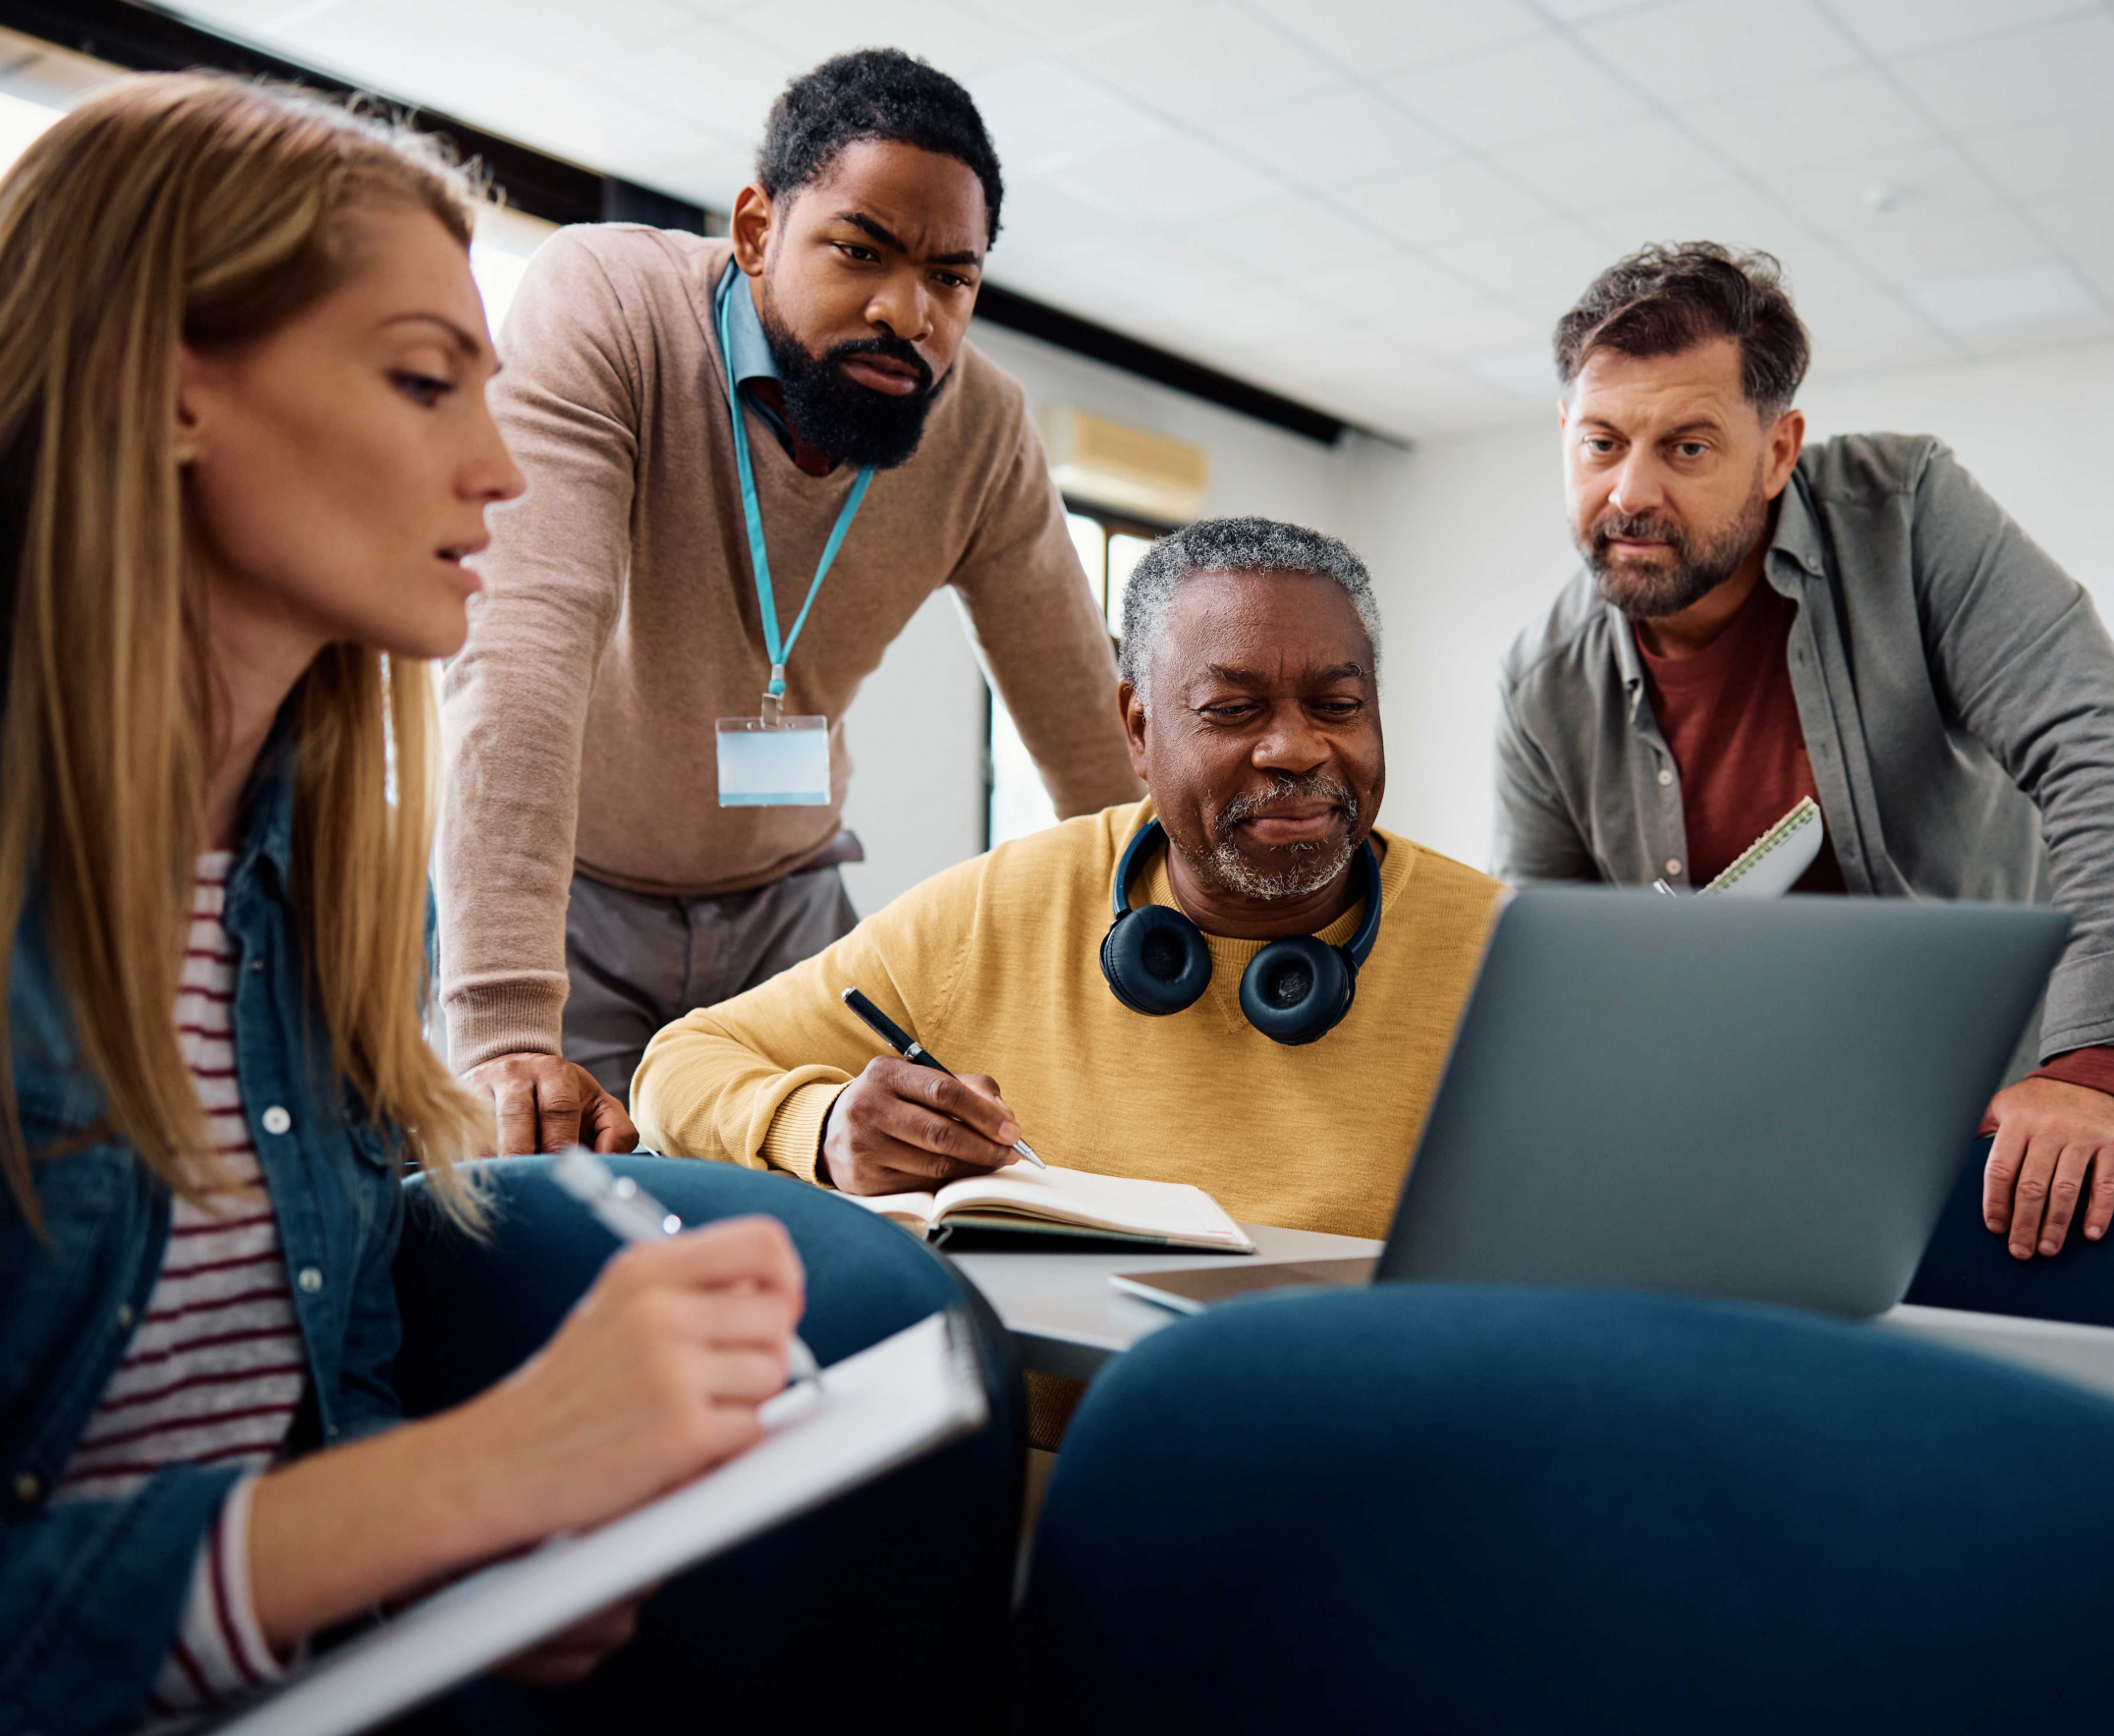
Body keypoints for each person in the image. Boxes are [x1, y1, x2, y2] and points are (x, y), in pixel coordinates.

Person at [0, 80, 812, 1733]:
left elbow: (330, 1397)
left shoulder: (339, 896)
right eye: (424, 382)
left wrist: (445, 1559)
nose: (502, 468)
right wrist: (455, 1488)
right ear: (169, 398)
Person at [439, 47, 1140, 1155]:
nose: (907, 312)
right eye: (860, 251)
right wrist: (502, 1029)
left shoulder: (980, 427)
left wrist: (1165, 943)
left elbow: (1090, 737)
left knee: (853, 1213)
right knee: (552, 1242)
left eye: (951, 279)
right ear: (758, 230)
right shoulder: (609, 304)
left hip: (791, 909)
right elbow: (521, 652)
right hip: (568, 900)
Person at [1496, 244, 2114, 1264]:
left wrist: (2094, 1071)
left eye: (1687, 448)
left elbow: (2102, 752)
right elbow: (1554, 962)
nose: (1629, 494)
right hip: (1737, 1147)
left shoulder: (1906, 512)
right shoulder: (1539, 678)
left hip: (1995, 1131)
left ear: (1778, 450)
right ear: (1565, 433)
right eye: (1600, 445)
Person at [633, 518, 1502, 1242]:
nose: (1295, 749)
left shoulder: (1507, 950)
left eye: (1337, 707)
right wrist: (819, 1127)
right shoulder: (1003, 907)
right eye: (1232, 711)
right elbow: (678, 1064)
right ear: (1138, 727)